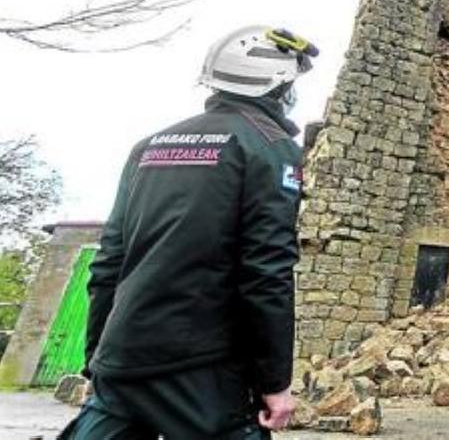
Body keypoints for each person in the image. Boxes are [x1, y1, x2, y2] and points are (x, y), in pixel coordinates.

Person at [61, 26, 319, 439]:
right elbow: (267, 272)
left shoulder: (149, 147)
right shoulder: (269, 147)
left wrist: (97, 361)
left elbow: (108, 263)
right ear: (277, 84)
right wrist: (274, 382)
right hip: (203, 370)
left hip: (122, 362)